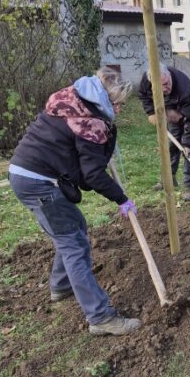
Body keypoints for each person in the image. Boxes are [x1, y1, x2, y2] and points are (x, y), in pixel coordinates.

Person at [8, 67, 142, 336]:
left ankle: (61, 286)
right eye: (119, 104)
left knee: (73, 227)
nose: (121, 110)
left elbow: (80, 163)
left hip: (26, 173)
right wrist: (122, 199)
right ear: (108, 99)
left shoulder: (72, 100)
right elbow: (92, 175)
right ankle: (101, 317)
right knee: (73, 245)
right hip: (39, 182)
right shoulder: (88, 122)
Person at [138, 65, 190, 201]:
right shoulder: (147, 80)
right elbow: (144, 95)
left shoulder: (185, 89)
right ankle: (169, 179)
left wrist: (187, 143)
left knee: (189, 150)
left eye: (167, 83)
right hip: (173, 108)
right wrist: (151, 113)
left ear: (169, 75)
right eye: (161, 87)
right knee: (172, 145)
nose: (166, 88)